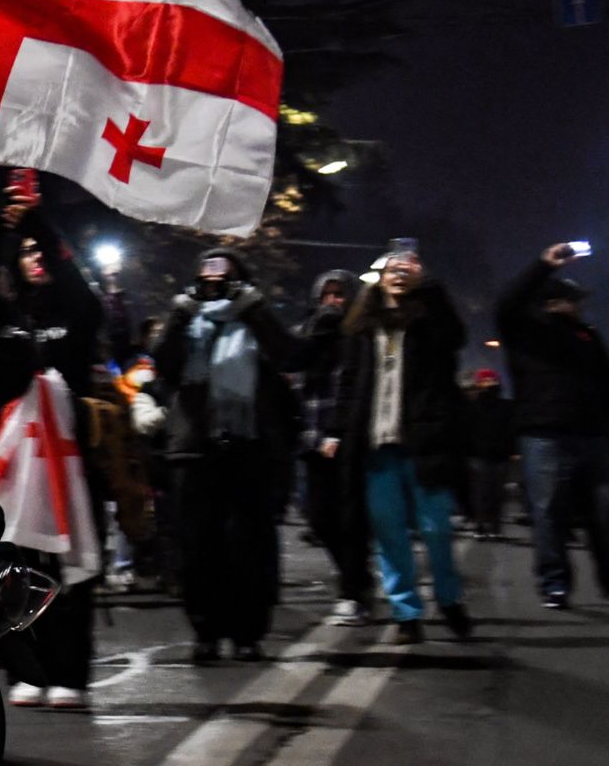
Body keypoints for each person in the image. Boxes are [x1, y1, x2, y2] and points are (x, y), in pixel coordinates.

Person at [0, 171, 104, 710]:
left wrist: (38, 224)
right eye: (26, 251)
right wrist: (0, 229)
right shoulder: (2, 317)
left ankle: (70, 672)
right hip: (12, 476)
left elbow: (85, 298)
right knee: (12, 572)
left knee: (70, 577)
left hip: (68, 476)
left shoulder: (75, 315)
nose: (36, 257)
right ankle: (26, 669)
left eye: (42, 250)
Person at [152, 249, 304, 662]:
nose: (216, 281)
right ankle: (206, 630)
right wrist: (182, 313)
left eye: (225, 275)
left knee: (248, 545)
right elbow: (162, 365)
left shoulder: (254, 320)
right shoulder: (187, 319)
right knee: (198, 546)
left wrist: (254, 308)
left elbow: (288, 352)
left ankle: (247, 633)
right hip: (193, 448)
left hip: (248, 446)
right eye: (208, 273)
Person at [332, 248, 472, 643]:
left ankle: (449, 600)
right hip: (376, 445)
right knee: (389, 530)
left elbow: (456, 337)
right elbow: (348, 383)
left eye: (407, 270)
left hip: (424, 441)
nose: (398, 275)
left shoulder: (429, 323)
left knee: (437, 528)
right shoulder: (362, 327)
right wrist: (337, 431)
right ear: (378, 278)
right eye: (392, 270)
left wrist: (429, 288)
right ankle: (405, 610)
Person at [496, 244, 609, 609]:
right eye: (572, 299)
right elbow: (507, 303)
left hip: (593, 433)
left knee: (605, 513)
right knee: (549, 513)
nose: (579, 305)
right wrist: (542, 265)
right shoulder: (524, 331)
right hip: (544, 432)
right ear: (552, 302)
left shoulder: (587, 335)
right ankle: (554, 584)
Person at [292, 270, 373, 627]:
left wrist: (342, 434)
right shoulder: (308, 332)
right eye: (328, 295)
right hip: (312, 440)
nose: (334, 302)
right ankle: (358, 578)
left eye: (341, 295)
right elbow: (292, 370)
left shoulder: (360, 335)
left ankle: (353, 592)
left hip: (349, 442)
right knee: (320, 520)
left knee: (351, 521)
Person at [466, 369, 515, 539]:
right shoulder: (505, 406)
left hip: (484, 455)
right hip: (491, 455)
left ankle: (484, 526)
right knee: (491, 494)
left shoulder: (472, 406)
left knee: (484, 494)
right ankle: (490, 526)